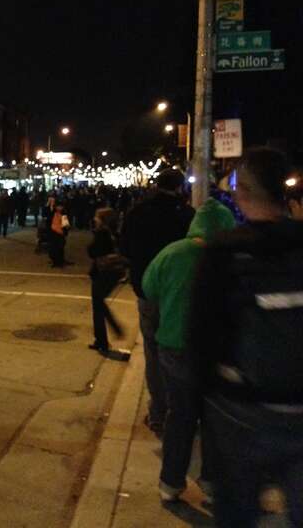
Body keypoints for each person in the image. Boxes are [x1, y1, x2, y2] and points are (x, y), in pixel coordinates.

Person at [188, 148, 303, 526]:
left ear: (242, 193)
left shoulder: (225, 251)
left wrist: (204, 395)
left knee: (237, 509)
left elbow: (200, 336)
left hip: (241, 409)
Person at [142, 198, 236, 503]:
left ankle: (170, 482)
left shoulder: (171, 253)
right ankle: (211, 481)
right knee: (214, 420)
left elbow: (149, 289)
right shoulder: (231, 256)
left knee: (180, 416)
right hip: (217, 352)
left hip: (174, 346)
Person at [120, 168, 194, 435]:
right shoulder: (187, 215)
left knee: (153, 353)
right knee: (178, 351)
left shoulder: (138, 212)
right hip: (179, 293)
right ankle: (179, 410)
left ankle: (160, 412)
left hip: (147, 292)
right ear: (180, 187)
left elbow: (125, 248)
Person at [87, 208, 126, 353]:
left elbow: (92, 251)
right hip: (113, 272)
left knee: (98, 304)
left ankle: (107, 335)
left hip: (103, 271)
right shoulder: (114, 232)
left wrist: (95, 234)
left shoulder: (102, 233)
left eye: (97, 217)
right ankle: (103, 338)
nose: (95, 219)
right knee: (98, 303)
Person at [48, 202, 69, 267]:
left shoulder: (63, 215)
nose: (59, 208)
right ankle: (55, 261)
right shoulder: (53, 213)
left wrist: (65, 233)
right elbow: (46, 212)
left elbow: (66, 226)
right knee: (53, 248)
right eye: (58, 206)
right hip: (53, 233)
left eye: (60, 206)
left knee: (60, 248)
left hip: (60, 233)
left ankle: (60, 261)